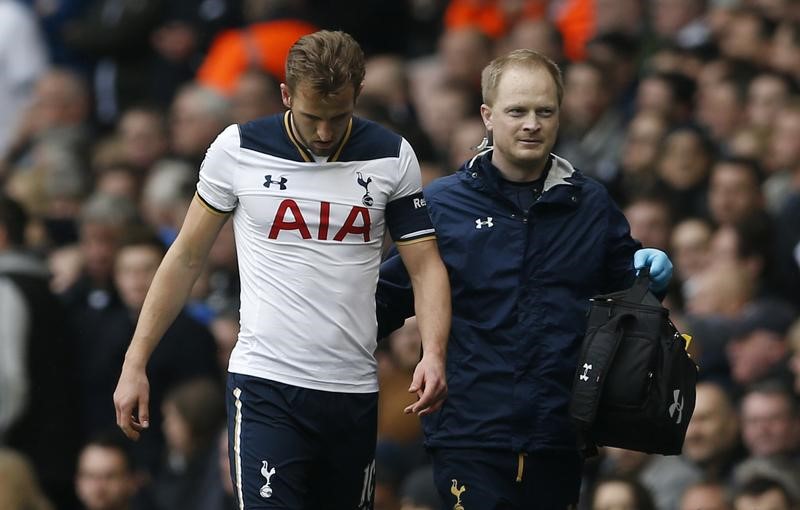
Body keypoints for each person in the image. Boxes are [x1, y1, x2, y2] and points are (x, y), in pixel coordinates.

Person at [114, 30, 451, 510]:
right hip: (265, 384)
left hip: (352, 389)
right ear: (286, 95)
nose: (324, 133)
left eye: (339, 117)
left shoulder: (392, 157)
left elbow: (426, 267)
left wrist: (433, 351)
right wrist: (135, 362)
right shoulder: (238, 149)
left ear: (357, 94)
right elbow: (186, 256)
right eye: (312, 116)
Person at [377, 49, 673, 509]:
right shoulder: (443, 206)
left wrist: (651, 278)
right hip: (469, 435)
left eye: (544, 111)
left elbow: (632, 299)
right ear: (487, 116)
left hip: (559, 436)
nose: (531, 123)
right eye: (517, 111)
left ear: (559, 116)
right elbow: (388, 298)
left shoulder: (590, 205)